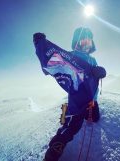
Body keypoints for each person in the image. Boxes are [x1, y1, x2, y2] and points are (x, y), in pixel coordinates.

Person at [33, 27, 106, 161]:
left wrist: (100, 72)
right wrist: (40, 45)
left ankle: (73, 111)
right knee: (71, 126)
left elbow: (95, 76)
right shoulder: (70, 56)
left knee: (95, 118)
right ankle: (54, 150)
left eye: (88, 42)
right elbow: (53, 62)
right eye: (83, 41)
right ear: (76, 42)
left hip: (92, 99)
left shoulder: (92, 60)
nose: (86, 44)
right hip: (76, 99)